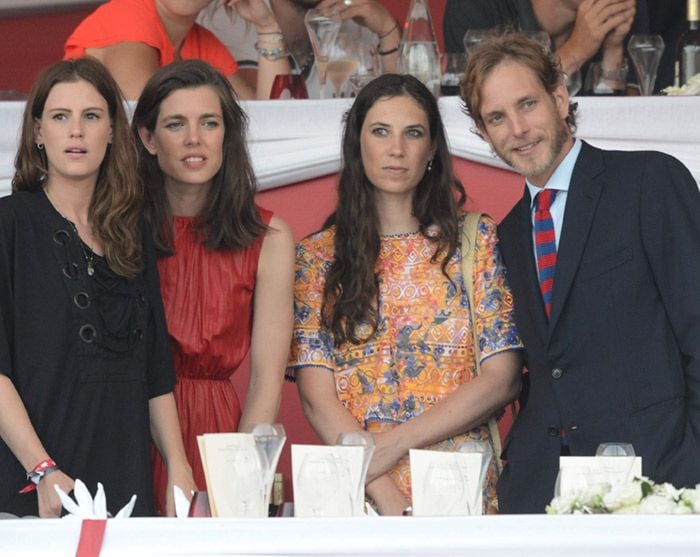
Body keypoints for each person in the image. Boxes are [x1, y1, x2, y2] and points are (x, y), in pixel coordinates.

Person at [460, 31, 700, 513]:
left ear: (561, 98)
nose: (518, 129)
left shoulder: (649, 181)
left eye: (528, 104)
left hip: (659, 478)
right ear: (484, 134)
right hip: (541, 491)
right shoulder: (503, 235)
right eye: (497, 118)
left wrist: (689, 471)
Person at [287, 73, 523, 515]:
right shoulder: (317, 256)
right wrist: (388, 499)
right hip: (359, 499)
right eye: (380, 132)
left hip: (461, 492)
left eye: (413, 133)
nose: (396, 149)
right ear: (358, 144)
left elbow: (502, 378)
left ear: (432, 148)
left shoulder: (474, 241)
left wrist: (391, 446)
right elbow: (317, 399)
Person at [0, 57, 195, 518]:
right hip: (37, 488)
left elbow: (155, 373)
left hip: (125, 480)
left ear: (111, 131)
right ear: (37, 132)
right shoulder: (9, 224)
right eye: (60, 117)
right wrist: (41, 470)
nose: (76, 132)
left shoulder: (134, 232)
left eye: (91, 116)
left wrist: (180, 468)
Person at [132, 59, 295, 514]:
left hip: (220, 437)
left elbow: (267, 380)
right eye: (175, 124)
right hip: (128, 426)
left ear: (227, 134)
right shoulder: (120, 231)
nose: (193, 140)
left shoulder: (271, 238)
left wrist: (240, 470)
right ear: (148, 138)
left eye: (209, 123)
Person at [64, 0, 289, 100]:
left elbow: (267, 119)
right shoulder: (127, 16)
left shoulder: (201, 41)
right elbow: (146, 116)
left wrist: (267, 26)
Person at [202, 0, 401, 98]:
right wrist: (267, 28)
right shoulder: (231, 17)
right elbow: (271, 120)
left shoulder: (357, 19)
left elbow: (403, 110)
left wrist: (388, 30)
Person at [444, 0, 648, 94]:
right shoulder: (477, 7)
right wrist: (575, 51)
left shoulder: (623, 12)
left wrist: (612, 51)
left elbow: (619, 125)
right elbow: (493, 106)